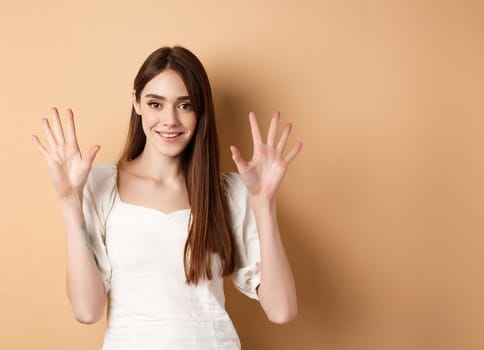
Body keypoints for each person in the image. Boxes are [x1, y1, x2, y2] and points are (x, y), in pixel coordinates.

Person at [30, 46, 301, 349]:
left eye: (185, 105)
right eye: (155, 104)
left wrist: (264, 203)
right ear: (136, 102)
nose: (170, 119)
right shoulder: (99, 184)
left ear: (201, 112)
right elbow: (87, 310)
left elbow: (282, 310)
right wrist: (70, 201)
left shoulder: (227, 191)